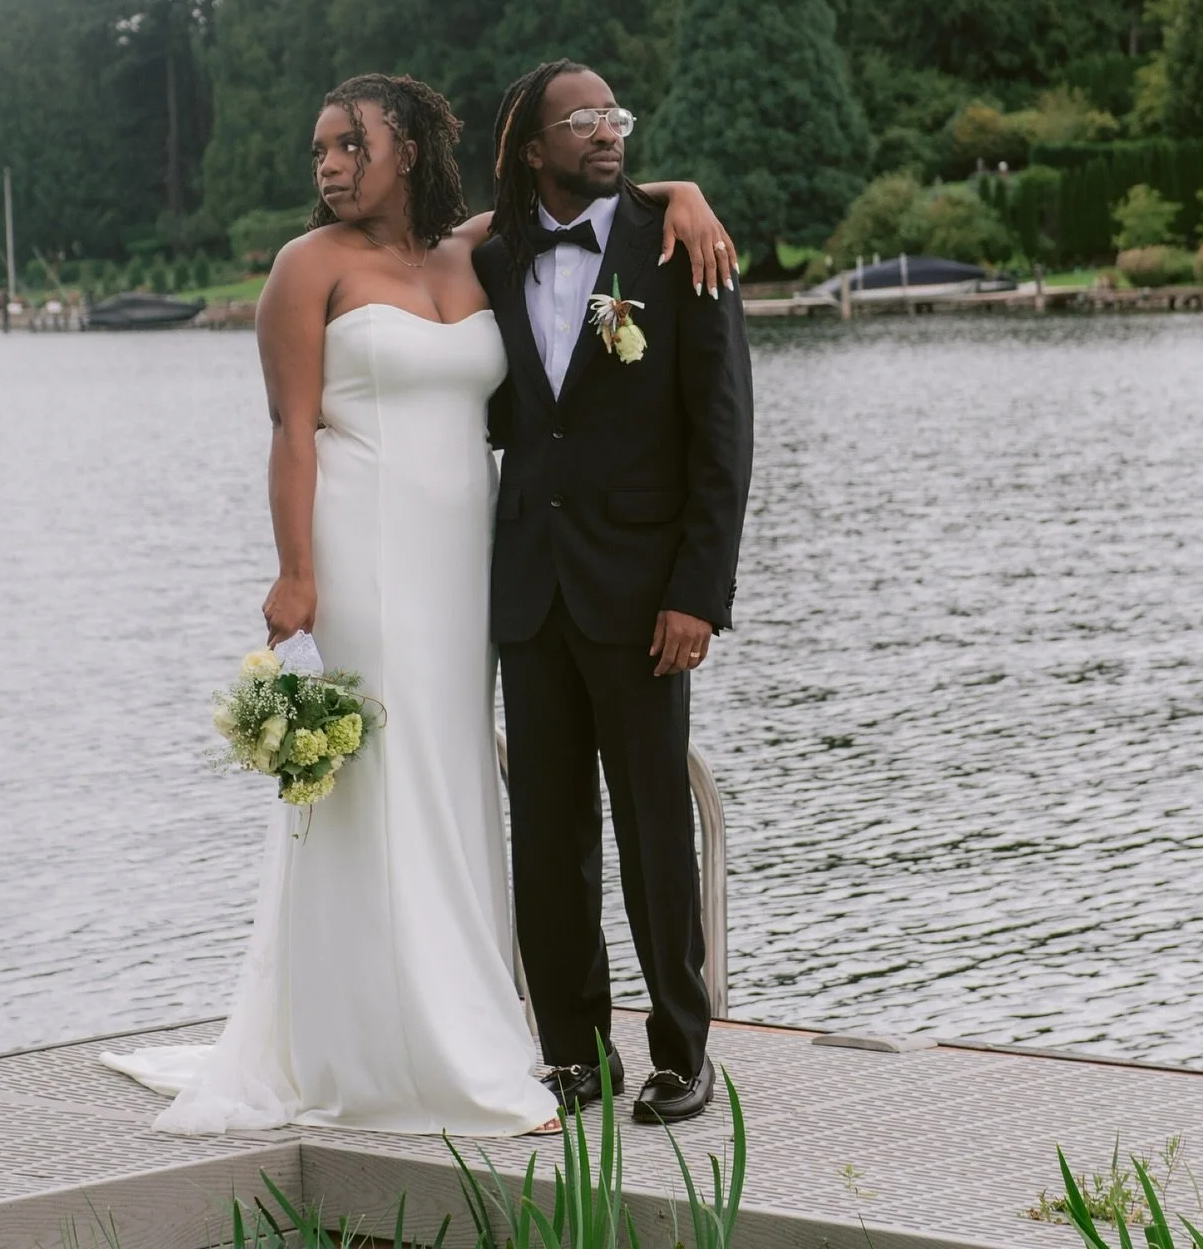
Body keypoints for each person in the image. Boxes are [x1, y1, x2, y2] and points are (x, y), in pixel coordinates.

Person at [103, 72, 736, 1136]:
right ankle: (456, 1050)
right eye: (321, 149)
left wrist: (684, 193)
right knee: (421, 785)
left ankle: (603, 1040)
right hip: (373, 555)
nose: (330, 164)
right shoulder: (305, 269)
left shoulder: (475, 249)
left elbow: (589, 203)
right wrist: (294, 570)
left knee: (465, 784)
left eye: (351, 143)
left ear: (410, 149)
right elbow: (290, 431)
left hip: (481, 568)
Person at [471, 59, 753, 1126]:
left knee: (652, 831)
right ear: (533, 148)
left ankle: (682, 1051)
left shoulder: (678, 245)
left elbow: (723, 434)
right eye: (579, 120)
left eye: (614, 116)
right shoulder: (497, 260)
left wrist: (697, 593)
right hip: (530, 594)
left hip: (644, 600)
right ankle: (577, 1054)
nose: (605, 132)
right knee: (547, 836)